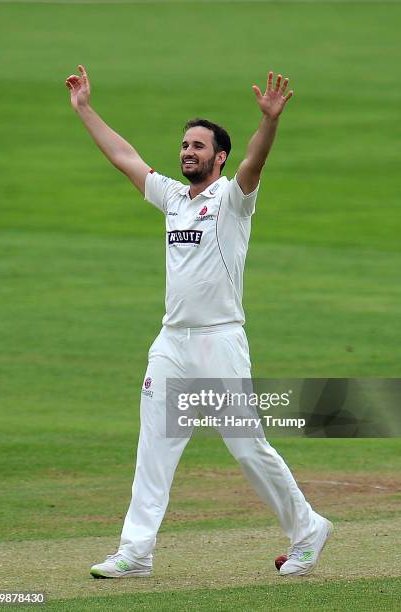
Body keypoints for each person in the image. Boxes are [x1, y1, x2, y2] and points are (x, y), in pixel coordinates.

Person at [65, 65, 332, 579]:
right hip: (171, 343)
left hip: (219, 343)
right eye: (184, 144)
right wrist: (85, 110)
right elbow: (126, 158)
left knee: (247, 448)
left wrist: (270, 122)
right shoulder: (171, 198)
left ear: (219, 156)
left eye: (199, 146)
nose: (188, 151)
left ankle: (307, 529)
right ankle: (136, 552)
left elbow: (255, 161)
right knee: (154, 450)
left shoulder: (232, 201)